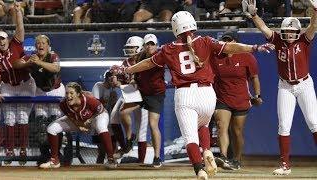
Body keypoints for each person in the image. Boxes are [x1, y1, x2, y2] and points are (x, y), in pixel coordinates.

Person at [122, 11, 274, 179]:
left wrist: (129, 69)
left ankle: (199, 170)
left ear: (175, 28)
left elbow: (148, 63)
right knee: (203, 125)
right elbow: (230, 47)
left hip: (185, 94)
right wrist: (254, 48)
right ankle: (207, 150)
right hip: (207, 93)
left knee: (190, 139)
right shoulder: (205, 41)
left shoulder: (168, 49)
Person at [243, 0, 317, 175]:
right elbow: (264, 28)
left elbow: (313, 25)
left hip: (304, 84)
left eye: (292, 32)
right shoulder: (278, 40)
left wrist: (315, 10)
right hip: (285, 86)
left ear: (297, 32)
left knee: (314, 122)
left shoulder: (304, 40)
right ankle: (285, 165)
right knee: (283, 125)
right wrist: (254, 15)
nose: (289, 35)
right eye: (286, 31)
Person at [212, 31, 262, 170]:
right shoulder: (215, 57)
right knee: (222, 126)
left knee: (237, 131)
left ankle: (237, 159)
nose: (227, 43)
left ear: (237, 42)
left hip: (241, 100)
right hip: (222, 99)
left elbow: (254, 78)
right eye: (224, 41)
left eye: (230, 40)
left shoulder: (247, 57)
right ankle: (222, 156)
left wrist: (257, 96)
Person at [39, 82, 116, 168]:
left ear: (78, 94)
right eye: (67, 93)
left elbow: (100, 110)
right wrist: (80, 125)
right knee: (51, 128)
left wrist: (89, 120)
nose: (68, 96)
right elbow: (71, 117)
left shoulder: (89, 99)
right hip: (79, 120)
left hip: (97, 116)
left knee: (101, 127)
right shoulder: (63, 104)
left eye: (71, 93)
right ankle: (54, 161)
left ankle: (111, 159)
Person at [0, 2, 36, 165]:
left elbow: (20, 29)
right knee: (10, 119)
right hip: (7, 86)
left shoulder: (15, 43)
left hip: (25, 84)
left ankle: (23, 148)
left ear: (8, 39)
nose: (1, 42)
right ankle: (9, 149)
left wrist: (19, 12)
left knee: (22, 117)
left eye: (3, 39)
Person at [118, 33, 165, 167]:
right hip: (142, 93)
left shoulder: (160, 56)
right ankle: (129, 138)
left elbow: (145, 66)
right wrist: (133, 79)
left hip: (155, 95)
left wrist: (130, 70)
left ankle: (157, 157)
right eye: (147, 44)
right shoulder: (139, 57)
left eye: (152, 44)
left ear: (156, 45)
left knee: (152, 124)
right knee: (123, 112)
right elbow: (136, 74)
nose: (150, 46)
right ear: (144, 46)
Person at [21, 34, 65, 165]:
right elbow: (16, 64)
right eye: (38, 43)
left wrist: (38, 62)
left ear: (48, 46)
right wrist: (27, 62)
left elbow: (56, 68)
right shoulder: (31, 57)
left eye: (43, 43)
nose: (40, 45)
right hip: (40, 91)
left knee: (55, 123)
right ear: (35, 46)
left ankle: (57, 154)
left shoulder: (53, 56)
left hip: (55, 91)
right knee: (40, 125)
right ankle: (45, 154)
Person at [110, 36, 149, 164]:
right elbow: (123, 80)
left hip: (142, 94)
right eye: (128, 48)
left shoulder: (145, 61)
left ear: (140, 48)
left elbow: (141, 82)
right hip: (128, 92)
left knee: (141, 130)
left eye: (132, 47)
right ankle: (126, 143)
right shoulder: (125, 62)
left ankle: (141, 162)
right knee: (113, 118)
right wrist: (116, 80)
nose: (129, 50)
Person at [92, 69, 119, 163]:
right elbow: (95, 104)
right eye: (113, 79)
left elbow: (113, 108)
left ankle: (113, 170)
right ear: (108, 79)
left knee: (114, 149)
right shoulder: (98, 86)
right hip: (99, 119)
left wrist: (113, 101)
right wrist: (108, 100)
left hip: (109, 122)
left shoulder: (113, 90)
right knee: (102, 152)